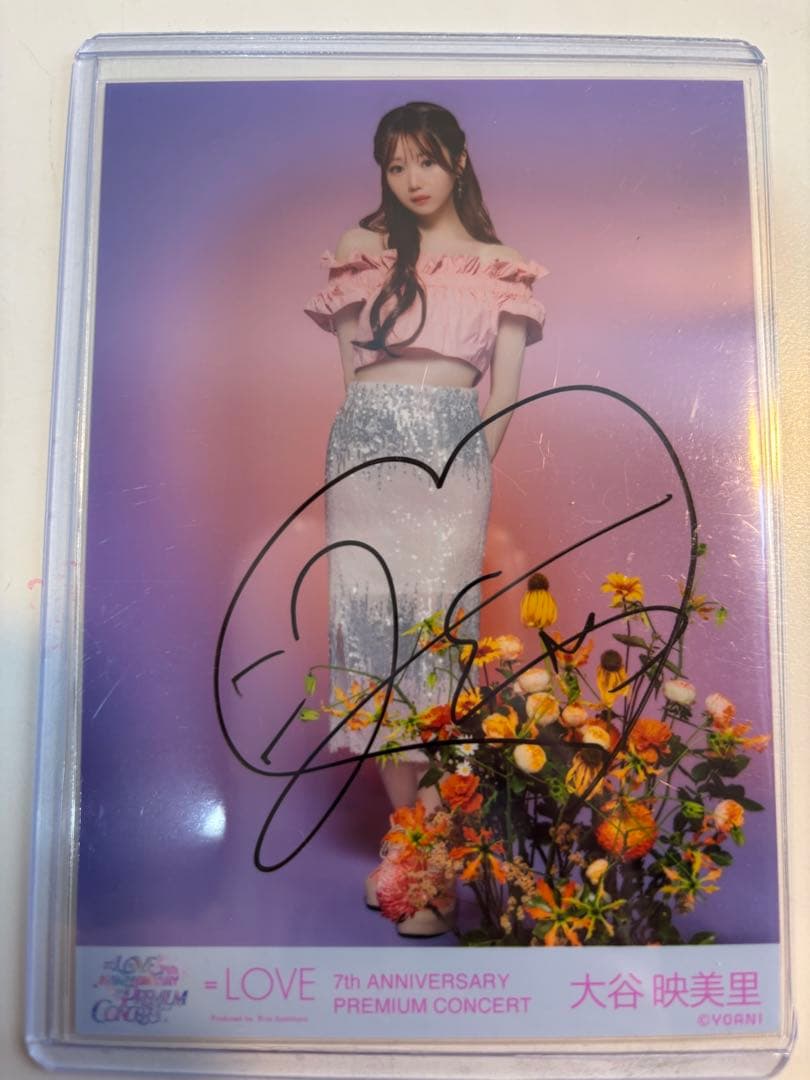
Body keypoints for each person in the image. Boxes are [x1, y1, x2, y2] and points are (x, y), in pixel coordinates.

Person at [303, 101, 548, 935]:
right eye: (397, 164)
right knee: (375, 646)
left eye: (428, 161)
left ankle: (428, 863)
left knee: (435, 651)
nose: (413, 179)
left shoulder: (501, 265)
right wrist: (370, 442)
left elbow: (502, 394)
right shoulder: (360, 247)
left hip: (453, 451)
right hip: (365, 449)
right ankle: (411, 852)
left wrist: (464, 470)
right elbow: (350, 377)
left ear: (460, 161)